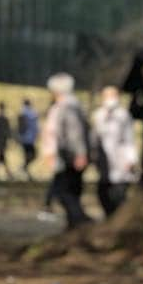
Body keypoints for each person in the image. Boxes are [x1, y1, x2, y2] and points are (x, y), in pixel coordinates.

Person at [45, 73, 90, 228]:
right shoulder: (67, 106)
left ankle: (79, 221)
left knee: (65, 191)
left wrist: (80, 153)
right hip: (67, 155)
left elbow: (74, 132)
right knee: (70, 190)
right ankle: (74, 222)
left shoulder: (68, 107)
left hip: (68, 156)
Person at [90, 86, 138, 217]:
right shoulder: (98, 115)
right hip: (104, 160)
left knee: (119, 193)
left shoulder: (123, 115)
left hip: (120, 160)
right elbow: (95, 138)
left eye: (112, 96)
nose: (109, 99)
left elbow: (129, 139)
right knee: (103, 192)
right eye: (107, 96)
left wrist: (131, 159)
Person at [16, 97, 38, 180]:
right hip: (27, 138)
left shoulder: (26, 112)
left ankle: (25, 170)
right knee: (32, 155)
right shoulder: (26, 112)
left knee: (29, 155)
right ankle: (23, 169)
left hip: (27, 138)